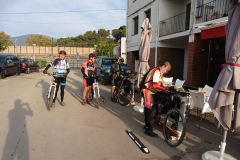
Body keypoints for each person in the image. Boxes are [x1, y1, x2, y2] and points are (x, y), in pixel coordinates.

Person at [141, 62, 171, 137]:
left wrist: (167, 88)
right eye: (166, 70)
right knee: (149, 108)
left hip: (152, 91)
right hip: (147, 90)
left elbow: (159, 85)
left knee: (150, 108)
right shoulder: (157, 71)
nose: (166, 72)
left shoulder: (161, 73)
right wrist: (165, 90)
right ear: (163, 66)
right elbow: (155, 85)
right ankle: (147, 129)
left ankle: (147, 124)